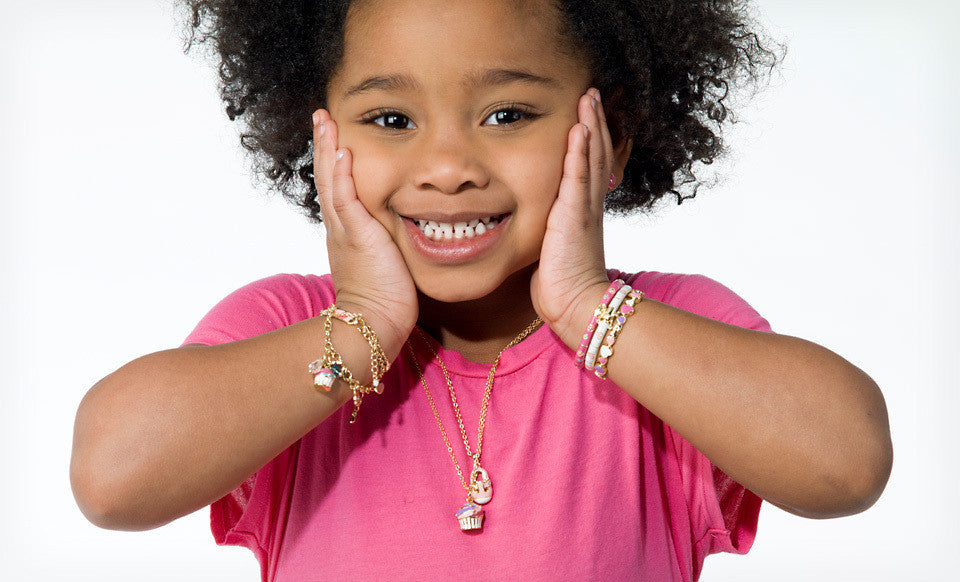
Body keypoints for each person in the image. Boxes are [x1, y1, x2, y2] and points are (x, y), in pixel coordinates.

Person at [69, 0, 893, 580]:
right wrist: (359, 328)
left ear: (611, 137)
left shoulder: (660, 335)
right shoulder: (293, 329)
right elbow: (111, 479)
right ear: (320, 139)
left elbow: (848, 463)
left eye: (507, 115)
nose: (447, 168)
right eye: (391, 120)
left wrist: (590, 307)